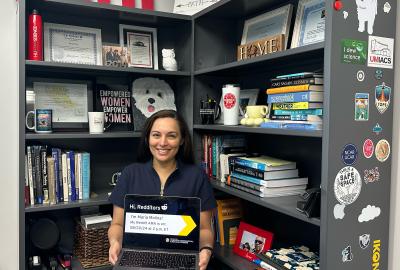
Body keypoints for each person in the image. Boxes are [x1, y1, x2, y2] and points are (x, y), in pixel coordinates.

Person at [108, 110, 217, 270]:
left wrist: (206, 250)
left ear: (181, 140)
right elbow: (117, 224)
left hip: (182, 259)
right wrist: (115, 242)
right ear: (147, 138)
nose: (163, 142)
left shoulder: (197, 177)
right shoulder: (130, 173)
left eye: (171, 136)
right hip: (138, 259)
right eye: (156, 135)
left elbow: (205, 229)